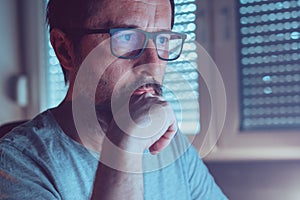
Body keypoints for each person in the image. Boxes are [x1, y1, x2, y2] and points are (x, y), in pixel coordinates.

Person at [0, 0, 228, 199]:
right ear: (65, 49)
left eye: (162, 40)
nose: (152, 63)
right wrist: (123, 147)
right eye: (127, 38)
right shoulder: (16, 165)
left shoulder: (171, 145)